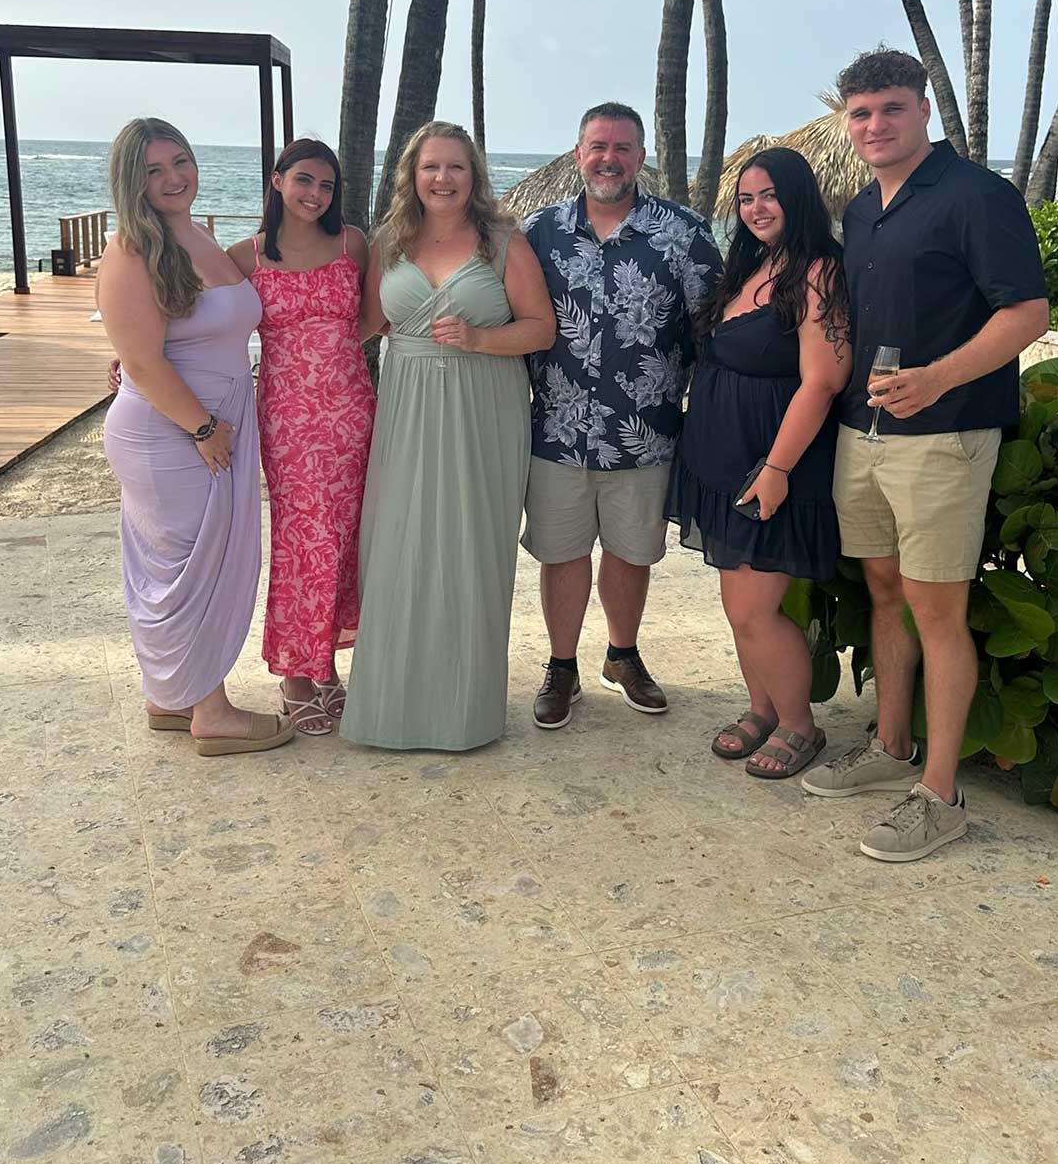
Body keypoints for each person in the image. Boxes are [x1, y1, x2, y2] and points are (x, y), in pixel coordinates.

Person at [801, 46, 1049, 860]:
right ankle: (892, 748)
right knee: (881, 589)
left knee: (936, 610)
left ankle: (941, 795)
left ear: (924, 112)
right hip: (863, 432)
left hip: (944, 435)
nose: (876, 125)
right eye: (862, 113)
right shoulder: (863, 209)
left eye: (892, 109)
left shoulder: (979, 196)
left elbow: (1027, 315)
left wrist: (936, 380)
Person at [341, 121, 556, 752]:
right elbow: (359, 324)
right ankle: (393, 709)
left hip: (484, 404)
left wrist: (483, 339)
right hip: (406, 403)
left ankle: (465, 712)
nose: (442, 178)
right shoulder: (389, 241)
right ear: (412, 173)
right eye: (430, 167)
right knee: (399, 543)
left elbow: (541, 329)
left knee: (470, 548)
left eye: (456, 167)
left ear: (474, 175)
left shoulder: (501, 241)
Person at [523, 103, 721, 728]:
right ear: (578, 153)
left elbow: (712, 331)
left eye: (623, 147)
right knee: (562, 552)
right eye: (598, 146)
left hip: (647, 431)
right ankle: (561, 666)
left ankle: (622, 654)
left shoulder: (684, 234)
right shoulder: (538, 233)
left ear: (641, 157)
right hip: (557, 430)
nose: (610, 158)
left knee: (633, 553)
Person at [98, 119, 291, 758]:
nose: (174, 178)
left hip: (208, 423)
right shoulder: (130, 250)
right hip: (174, 431)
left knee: (182, 561)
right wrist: (202, 427)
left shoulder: (198, 236)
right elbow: (145, 361)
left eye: (180, 161)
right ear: (133, 181)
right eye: (154, 170)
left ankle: (170, 697)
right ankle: (211, 712)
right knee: (189, 564)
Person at [669, 149, 851, 778]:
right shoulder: (752, 265)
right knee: (735, 603)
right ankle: (762, 707)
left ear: (797, 197)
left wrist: (775, 469)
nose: (755, 210)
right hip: (720, 457)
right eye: (745, 200)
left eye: (768, 195)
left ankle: (800, 725)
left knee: (755, 609)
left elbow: (820, 382)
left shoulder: (818, 272)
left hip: (772, 463)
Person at [227, 139, 375, 736]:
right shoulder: (246, 257)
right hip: (288, 417)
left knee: (345, 538)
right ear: (277, 181)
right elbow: (193, 314)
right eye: (305, 181)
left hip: (354, 410)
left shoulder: (354, 244)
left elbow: (375, 316)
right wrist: (129, 360)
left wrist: (334, 351)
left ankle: (328, 668)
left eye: (326, 185)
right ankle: (294, 674)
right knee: (301, 539)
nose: (315, 195)